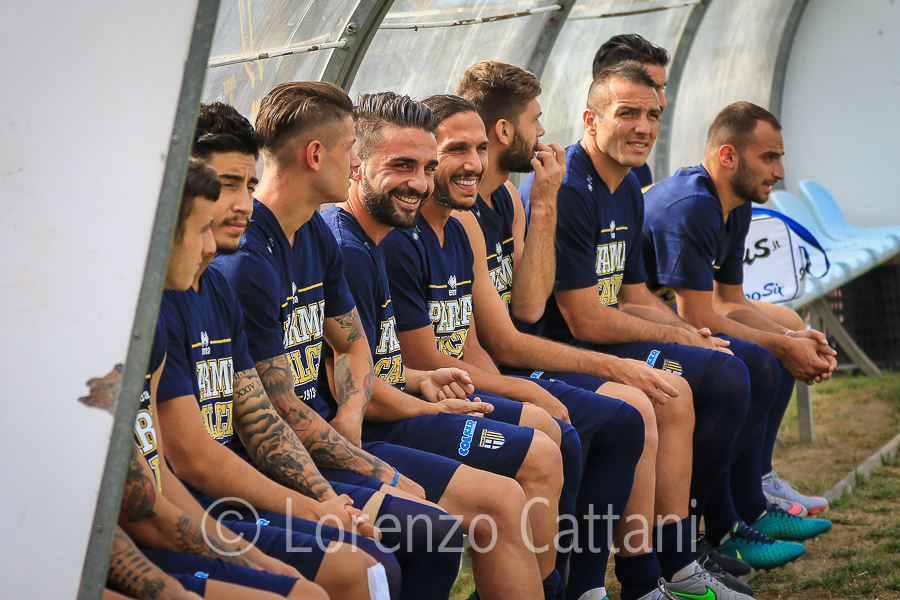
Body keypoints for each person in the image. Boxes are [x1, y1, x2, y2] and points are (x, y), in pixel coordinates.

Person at [209, 86, 556, 600]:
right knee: (438, 525)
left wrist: (356, 411)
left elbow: (353, 346)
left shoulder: (314, 233)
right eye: (352, 148)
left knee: (487, 494)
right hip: (280, 456)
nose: (354, 162)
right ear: (316, 155)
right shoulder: (247, 262)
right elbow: (273, 410)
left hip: (335, 434)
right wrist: (373, 457)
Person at [450, 59, 763, 598]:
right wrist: (624, 362)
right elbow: (544, 326)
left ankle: (673, 564)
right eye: (535, 119)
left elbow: (529, 305)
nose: (543, 131)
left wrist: (686, 332)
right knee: (641, 405)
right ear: (506, 130)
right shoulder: (470, 213)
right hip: (515, 361)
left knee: (698, 381)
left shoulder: (508, 200)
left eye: (653, 114)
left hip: (515, 355)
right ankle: (621, 580)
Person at [162, 101, 473, 600]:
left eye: (247, 183)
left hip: (294, 453)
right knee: (386, 555)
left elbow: (282, 398)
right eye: (227, 185)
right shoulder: (232, 271)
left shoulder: (227, 278)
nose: (242, 202)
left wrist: (346, 462)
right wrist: (327, 500)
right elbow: (201, 456)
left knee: (432, 527)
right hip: (227, 487)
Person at [517, 60, 815, 572]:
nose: (644, 127)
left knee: (740, 360)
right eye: (627, 113)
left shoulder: (629, 182)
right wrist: (683, 336)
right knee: (726, 375)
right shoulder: (572, 187)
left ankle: (715, 529)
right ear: (590, 120)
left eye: (652, 115)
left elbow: (632, 292)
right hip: (565, 348)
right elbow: (585, 320)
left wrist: (689, 332)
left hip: (603, 334)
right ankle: (691, 543)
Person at [322, 91, 570, 600]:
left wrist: (421, 380)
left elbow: (373, 365)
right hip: (367, 431)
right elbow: (351, 390)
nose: (419, 182)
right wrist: (428, 404)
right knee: (515, 483)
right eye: (402, 165)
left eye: (426, 167)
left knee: (546, 448)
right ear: (354, 164)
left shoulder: (374, 237)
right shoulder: (349, 248)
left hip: (388, 409)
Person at [642, 101, 836, 517]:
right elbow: (697, 318)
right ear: (728, 156)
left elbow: (730, 300)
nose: (779, 172)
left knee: (783, 331)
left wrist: (792, 338)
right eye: (769, 158)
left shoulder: (736, 202)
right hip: (629, 325)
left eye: (779, 158)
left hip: (668, 316)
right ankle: (718, 514)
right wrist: (783, 347)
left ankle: (757, 484)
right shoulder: (694, 205)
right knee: (759, 362)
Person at [590, 34, 670, 189]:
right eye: (651, 88)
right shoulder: (570, 182)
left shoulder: (638, 170)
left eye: (662, 88)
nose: (663, 102)